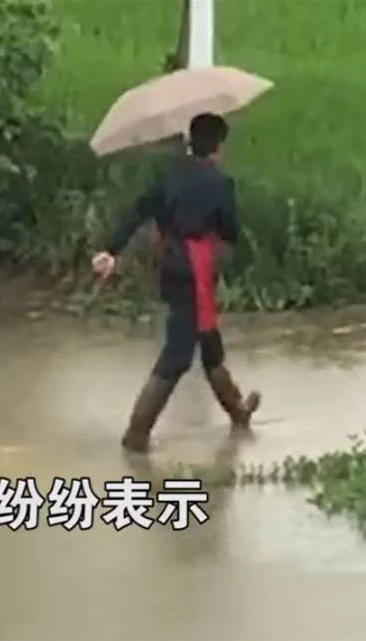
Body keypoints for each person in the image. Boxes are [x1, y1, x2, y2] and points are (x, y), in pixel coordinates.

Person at [91, 112, 261, 453]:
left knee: (209, 344)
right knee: (179, 354)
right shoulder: (219, 183)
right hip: (195, 270)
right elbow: (230, 230)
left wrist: (111, 250)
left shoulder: (168, 176)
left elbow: (137, 212)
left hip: (170, 265)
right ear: (218, 147)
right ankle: (137, 432)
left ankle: (238, 413)